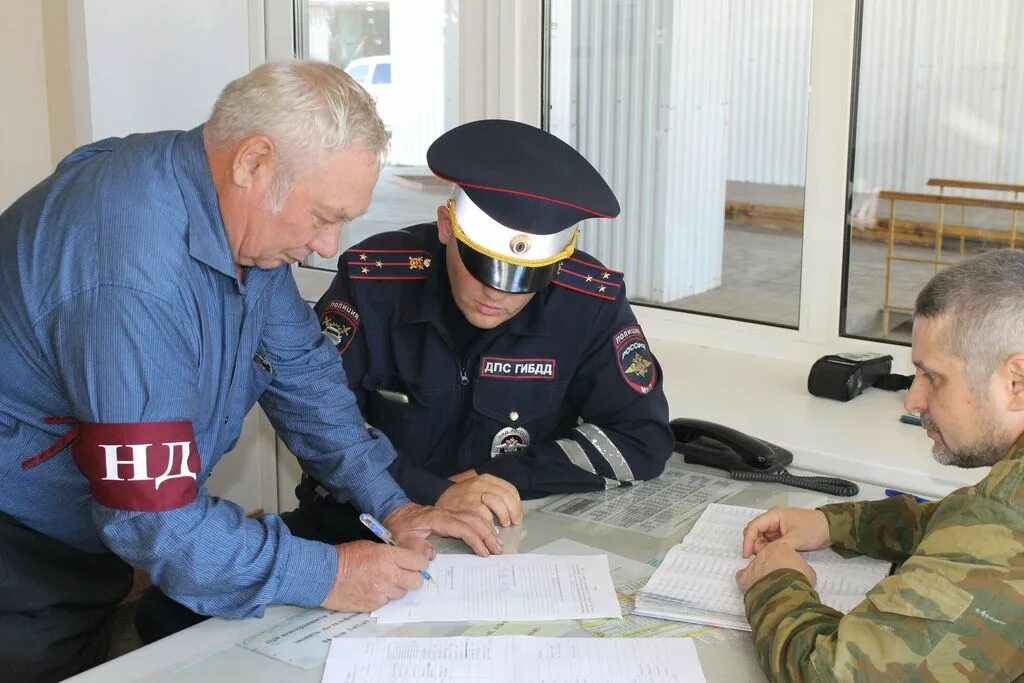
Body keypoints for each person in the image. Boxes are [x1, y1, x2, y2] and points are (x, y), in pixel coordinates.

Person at [0, 61, 498, 681]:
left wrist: (394, 506)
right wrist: (331, 574)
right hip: (19, 545)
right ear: (253, 163)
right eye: (323, 217)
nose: (328, 246)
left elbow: (303, 374)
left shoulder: (234, 221)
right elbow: (155, 518)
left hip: (89, 525)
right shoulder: (131, 275)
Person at [294, 118, 673, 537]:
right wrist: (431, 492)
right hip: (365, 525)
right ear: (445, 226)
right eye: (482, 268)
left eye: (524, 279)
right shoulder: (375, 283)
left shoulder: (587, 301)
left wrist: (493, 479)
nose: (497, 294)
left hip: (502, 533)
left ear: (558, 262)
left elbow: (642, 437)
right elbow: (317, 422)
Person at [735, 248, 1024, 681]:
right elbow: (964, 523)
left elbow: (830, 674)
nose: (913, 400)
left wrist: (776, 583)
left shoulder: (1007, 518)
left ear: (1016, 383)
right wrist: (836, 525)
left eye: (934, 377)